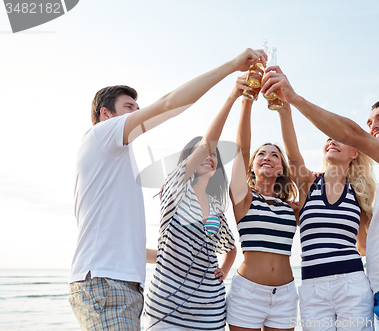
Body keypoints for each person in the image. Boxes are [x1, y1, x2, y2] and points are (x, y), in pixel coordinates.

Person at [69, 48, 267, 330]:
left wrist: (208, 267)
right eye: (129, 108)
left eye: (138, 109)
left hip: (130, 286)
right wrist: (232, 70)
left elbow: (220, 248)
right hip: (108, 284)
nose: (138, 114)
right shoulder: (102, 136)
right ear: (105, 114)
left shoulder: (117, 161)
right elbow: (169, 104)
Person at [261, 67, 379, 330]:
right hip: (355, 286)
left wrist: (293, 98)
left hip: (374, 283)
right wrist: (284, 111)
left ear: (355, 152)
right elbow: (370, 245)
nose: (373, 127)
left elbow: (362, 241)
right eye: (370, 123)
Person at [143, 77, 250, 330]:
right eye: (203, 153)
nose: (209, 156)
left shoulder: (216, 208)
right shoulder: (175, 188)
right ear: (186, 161)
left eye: (214, 156)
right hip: (166, 309)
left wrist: (223, 270)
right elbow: (207, 143)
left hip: (210, 310)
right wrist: (232, 96)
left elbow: (230, 248)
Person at [277, 102, 377, 331]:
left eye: (339, 138)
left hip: (352, 284)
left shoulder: (359, 194)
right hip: (313, 288)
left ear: (355, 152)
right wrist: (285, 111)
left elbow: (364, 247)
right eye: (328, 139)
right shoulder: (308, 184)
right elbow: (293, 156)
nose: (331, 141)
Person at [226, 78, 299, 331]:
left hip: (286, 294)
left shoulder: (291, 207)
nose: (267, 157)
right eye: (262, 154)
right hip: (248, 293)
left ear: (280, 169)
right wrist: (247, 100)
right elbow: (242, 148)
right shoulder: (243, 198)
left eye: (274, 155)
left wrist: (284, 111)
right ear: (252, 166)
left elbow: (295, 156)